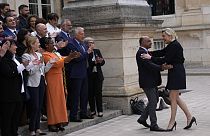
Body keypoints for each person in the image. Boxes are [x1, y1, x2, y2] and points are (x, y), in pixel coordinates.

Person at [141, 28, 197, 131]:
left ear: (170, 36)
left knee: (173, 98)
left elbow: (165, 59)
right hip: (174, 71)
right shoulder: (172, 45)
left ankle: (172, 122)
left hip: (176, 72)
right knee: (176, 98)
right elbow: (162, 52)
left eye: (164, 36)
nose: (163, 38)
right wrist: (150, 53)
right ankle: (189, 117)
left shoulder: (175, 45)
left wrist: (150, 58)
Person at [39, 37, 80, 132]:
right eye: (51, 43)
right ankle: (52, 123)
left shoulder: (54, 53)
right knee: (53, 101)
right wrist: (69, 57)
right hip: (51, 79)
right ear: (46, 45)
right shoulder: (45, 55)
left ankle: (60, 121)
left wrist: (71, 57)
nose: (53, 45)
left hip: (59, 78)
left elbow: (62, 59)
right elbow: (57, 63)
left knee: (60, 100)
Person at [136, 36, 172, 132]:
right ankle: (154, 124)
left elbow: (153, 59)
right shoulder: (141, 53)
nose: (151, 43)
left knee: (155, 100)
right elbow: (149, 65)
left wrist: (161, 64)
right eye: (148, 41)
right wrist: (162, 67)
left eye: (150, 41)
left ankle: (142, 118)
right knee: (152, 102)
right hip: (147, 82)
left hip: (152, 81)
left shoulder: (147, 52)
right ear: (142, 43)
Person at [0, 39, 28, 136]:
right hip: (8, 94)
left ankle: (14, 133)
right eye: (14, 45)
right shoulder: (3, 60)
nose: (16, 47)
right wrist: (22, 66)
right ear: (7, 47)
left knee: (16, 117)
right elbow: (9, 73)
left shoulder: (15, 58)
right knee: (7, 119)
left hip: (17, 92)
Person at [67, 27, 94, 122]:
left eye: (83, 33)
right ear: (76, 34)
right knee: (75, 95)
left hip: (83, 72)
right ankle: (73, 115)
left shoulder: (82, 43)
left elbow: (84, 56)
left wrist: (88, 52)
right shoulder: (71, 44)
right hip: (75, 73)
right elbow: (77, 58)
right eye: (81, 34)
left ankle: (83, 112)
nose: (83, 35)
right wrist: (87, 52)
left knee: (84, 94)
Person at [84, 37, 105, 117]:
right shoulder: (86, 52)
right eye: (90, 42)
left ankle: (100, 110)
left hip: (98, 75)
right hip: (90, 75)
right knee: (91, 93)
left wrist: (100, 61)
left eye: (93, 42)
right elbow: (87, 63)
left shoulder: (97, 51)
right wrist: (94, 62)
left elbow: (103, 62)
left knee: (98, 93)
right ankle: (93, 110)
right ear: (86, 44)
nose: (92, 44)